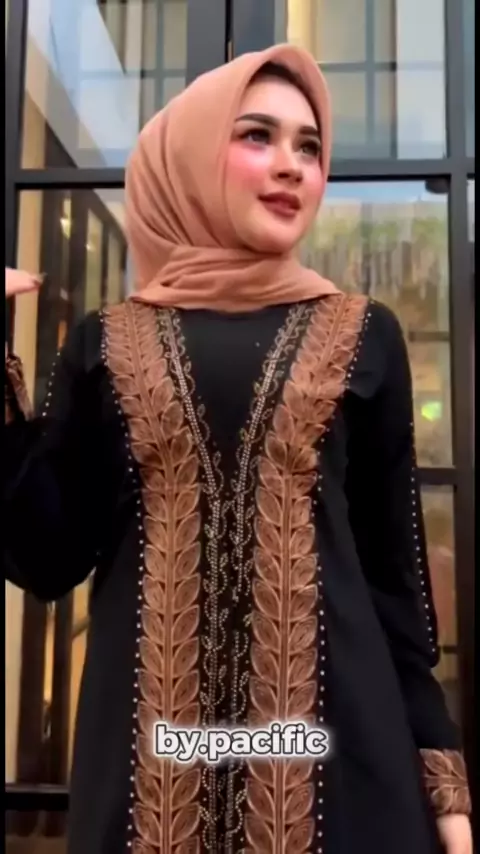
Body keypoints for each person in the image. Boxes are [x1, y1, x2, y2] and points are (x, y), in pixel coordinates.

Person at [4, 44, 473, 854]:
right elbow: (45, 557)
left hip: (344, 785)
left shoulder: (365, 334)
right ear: (189, 156)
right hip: (148, 783)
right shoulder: (106, 344)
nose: (292, 164)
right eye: (257, 135)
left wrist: (444, 783)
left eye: (310, 146)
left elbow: (393, 581)